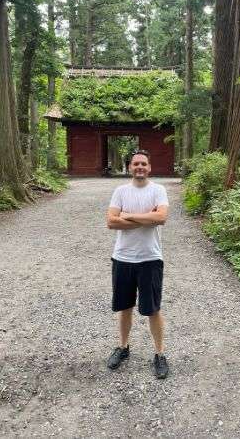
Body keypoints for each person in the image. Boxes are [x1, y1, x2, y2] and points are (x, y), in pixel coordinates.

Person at [105, 149, 170, 379]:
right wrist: (145, 218)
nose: (140, 167)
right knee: (124, 307)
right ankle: (123, 347)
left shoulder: (158, 190)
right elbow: (111, 223)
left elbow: (161, 218)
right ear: (130, 168)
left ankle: (160, 354)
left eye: (144, 163)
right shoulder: (120, 191)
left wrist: (128, 215)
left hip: (150, 258)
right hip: (123, 257)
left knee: (153, 309)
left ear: (149, 167)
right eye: (136, 164)